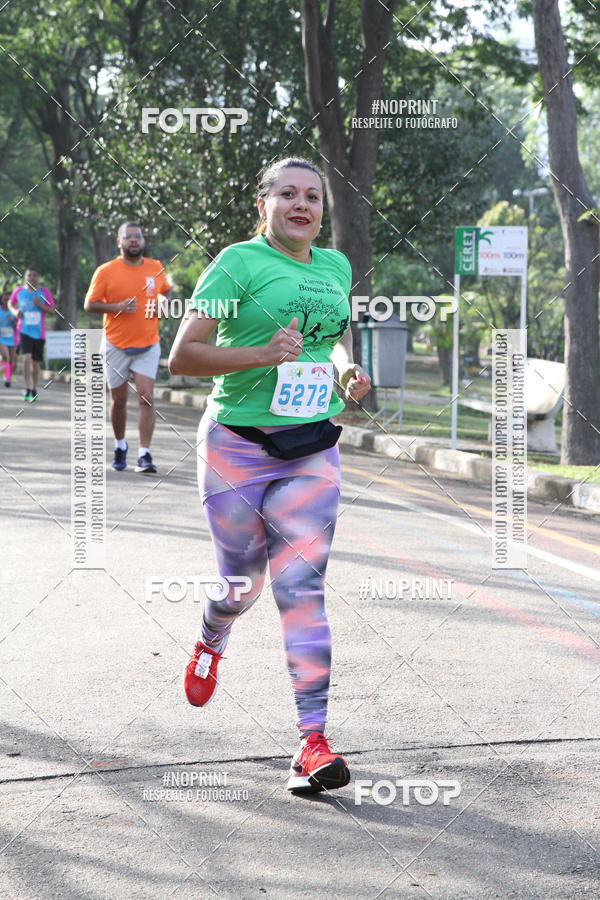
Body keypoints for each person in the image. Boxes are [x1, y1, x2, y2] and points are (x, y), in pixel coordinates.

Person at [168, 157, 371, 793]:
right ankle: (212, 633)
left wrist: (345, 369)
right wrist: (260, 353)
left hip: (312, 446)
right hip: (237, 445)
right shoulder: (237, 263)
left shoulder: (334, 267)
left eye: (312, 196)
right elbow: (182, 356)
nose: (302, 204)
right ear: (265, 205)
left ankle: (311, 741)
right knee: (242, 581)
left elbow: (332, 340)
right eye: (288, 194)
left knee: (300, 587)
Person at [84, 222, 172, 473]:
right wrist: (117, 307)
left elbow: (166, 291)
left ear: (143, 241)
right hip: (115, 344)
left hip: (148, 343)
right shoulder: (106, 271)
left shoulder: (155, 268)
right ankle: (120, 444)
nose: (134, 240)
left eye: (138, 237)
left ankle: (145, 454)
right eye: (128, 237)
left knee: (146, 398)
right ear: (119, 242)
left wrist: (163, 303)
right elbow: (90, 305)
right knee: (119, 400)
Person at [9, 269, 56, 401]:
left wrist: (40, 305)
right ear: (25, 277)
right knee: (26, 358)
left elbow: (52, 310)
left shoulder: (44, 292)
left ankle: (34, 388)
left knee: (35, 363)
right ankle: (27, 387)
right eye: (29, 275)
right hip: (23, 331)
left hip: (39, 333)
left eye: (35, 275)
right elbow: (10, 304)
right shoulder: (18, 291)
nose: (32, 277)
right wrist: (14, 311)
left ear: (38, 278)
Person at [0, 291, 19, 387]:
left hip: (12, 338)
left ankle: (8, 375)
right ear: (1, 300)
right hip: (1, 338)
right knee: (5, 356)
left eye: (8, 299)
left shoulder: (15, 311)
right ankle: (7, 378)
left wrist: (13, 321)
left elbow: (19, 325)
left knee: (12, 361)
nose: (6, 301)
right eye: (4, 299)